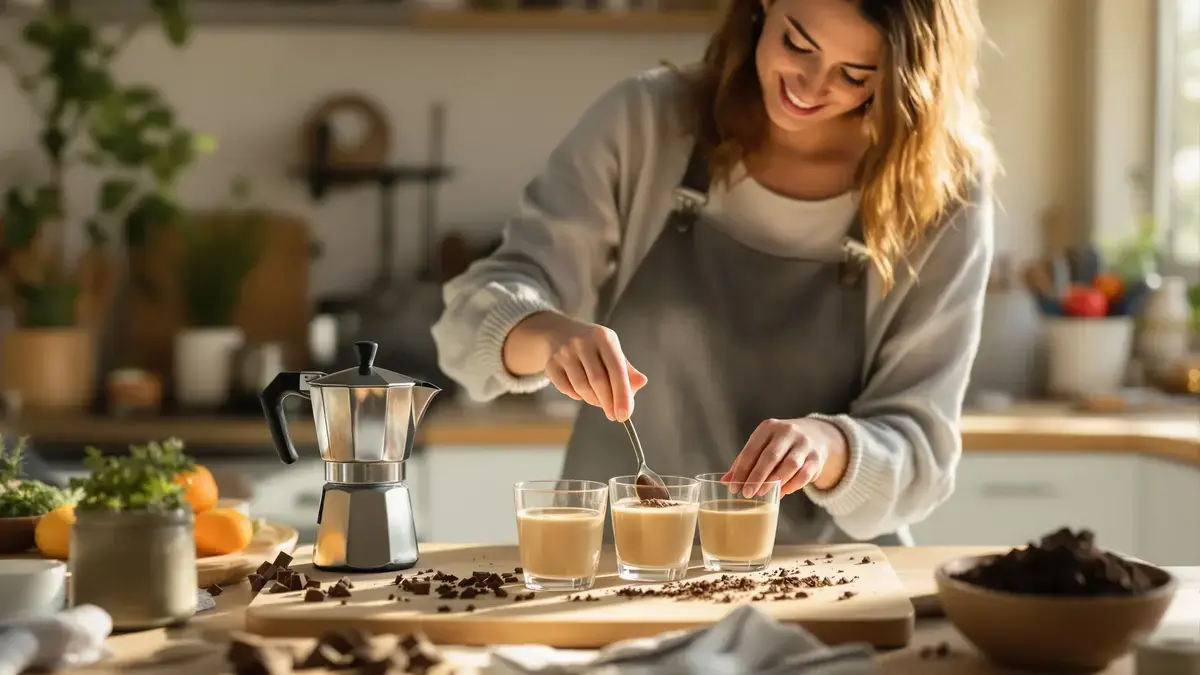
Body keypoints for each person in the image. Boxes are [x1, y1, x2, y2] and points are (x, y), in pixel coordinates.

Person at [431, 0, 997, 546]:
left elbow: (921, 454)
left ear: (904, 75)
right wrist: (546, 334)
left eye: (855, 75)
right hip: (617, 570)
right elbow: (465, 322)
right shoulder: (648, 123)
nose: (809, 85)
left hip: (821, 583)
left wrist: (828, 447)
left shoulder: (940, 197)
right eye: (797, 44)